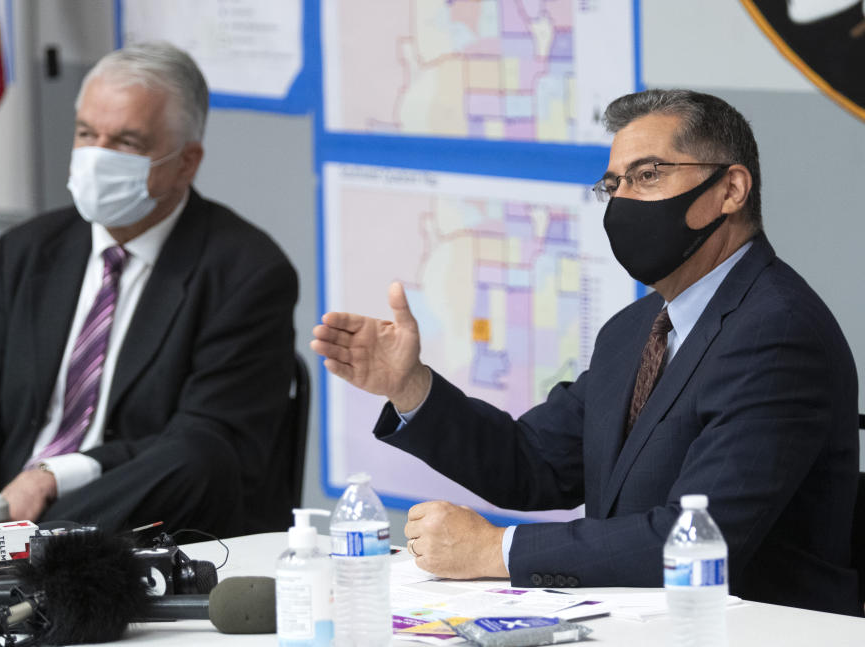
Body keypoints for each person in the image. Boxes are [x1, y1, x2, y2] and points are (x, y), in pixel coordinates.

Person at [311, 89, 861, 615]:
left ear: (731, 190)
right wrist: (411, 388)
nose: (622, 201)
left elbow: (700, 539)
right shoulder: (636, 328)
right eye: (613, 184)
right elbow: (535, 464)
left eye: (648, 175)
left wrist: (494, 550)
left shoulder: (778, 332)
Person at [0, 42, 298, 540]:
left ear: (186, 162)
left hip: (138, 521)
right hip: (7, 512)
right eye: (85, 134)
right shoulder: (28, 252)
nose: (97, 156)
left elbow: (204, 448)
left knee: (196, 457)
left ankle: (23, 553)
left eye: (125, 142)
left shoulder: (247, 272)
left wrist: (57, 474)